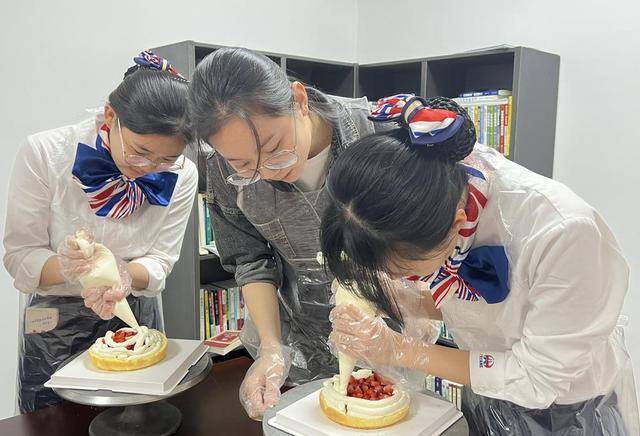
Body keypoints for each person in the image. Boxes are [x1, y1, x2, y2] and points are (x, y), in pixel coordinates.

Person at [320, 94, 639, 435]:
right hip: (484, 391)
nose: (403, 279)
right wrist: (404, 303)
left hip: (570, 411)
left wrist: (400, 349)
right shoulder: (441, 189)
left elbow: (539, 377)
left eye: (404, 272)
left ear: (457, 224)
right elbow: (490, 310)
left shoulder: (563, 232)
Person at [188, 47, 382, 419]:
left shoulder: (376, 134)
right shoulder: (221, 168)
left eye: (275, 148)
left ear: (299, 99)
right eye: (244, 164)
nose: (268, 171)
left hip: (384, 329)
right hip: (295, 330)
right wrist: (272, 349)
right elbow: (250, 259)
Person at [3, 51, 197, 413]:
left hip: (133, 312)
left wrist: (124, 274)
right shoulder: (45, 154)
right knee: (55, 422)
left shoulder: (182, 174)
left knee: (139, 421)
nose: (149, 168)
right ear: (111, 116)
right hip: (54, 324)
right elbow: (19, 255)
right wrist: (72, 268)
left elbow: (161, 259)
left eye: (165, 159)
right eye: (140, 152)